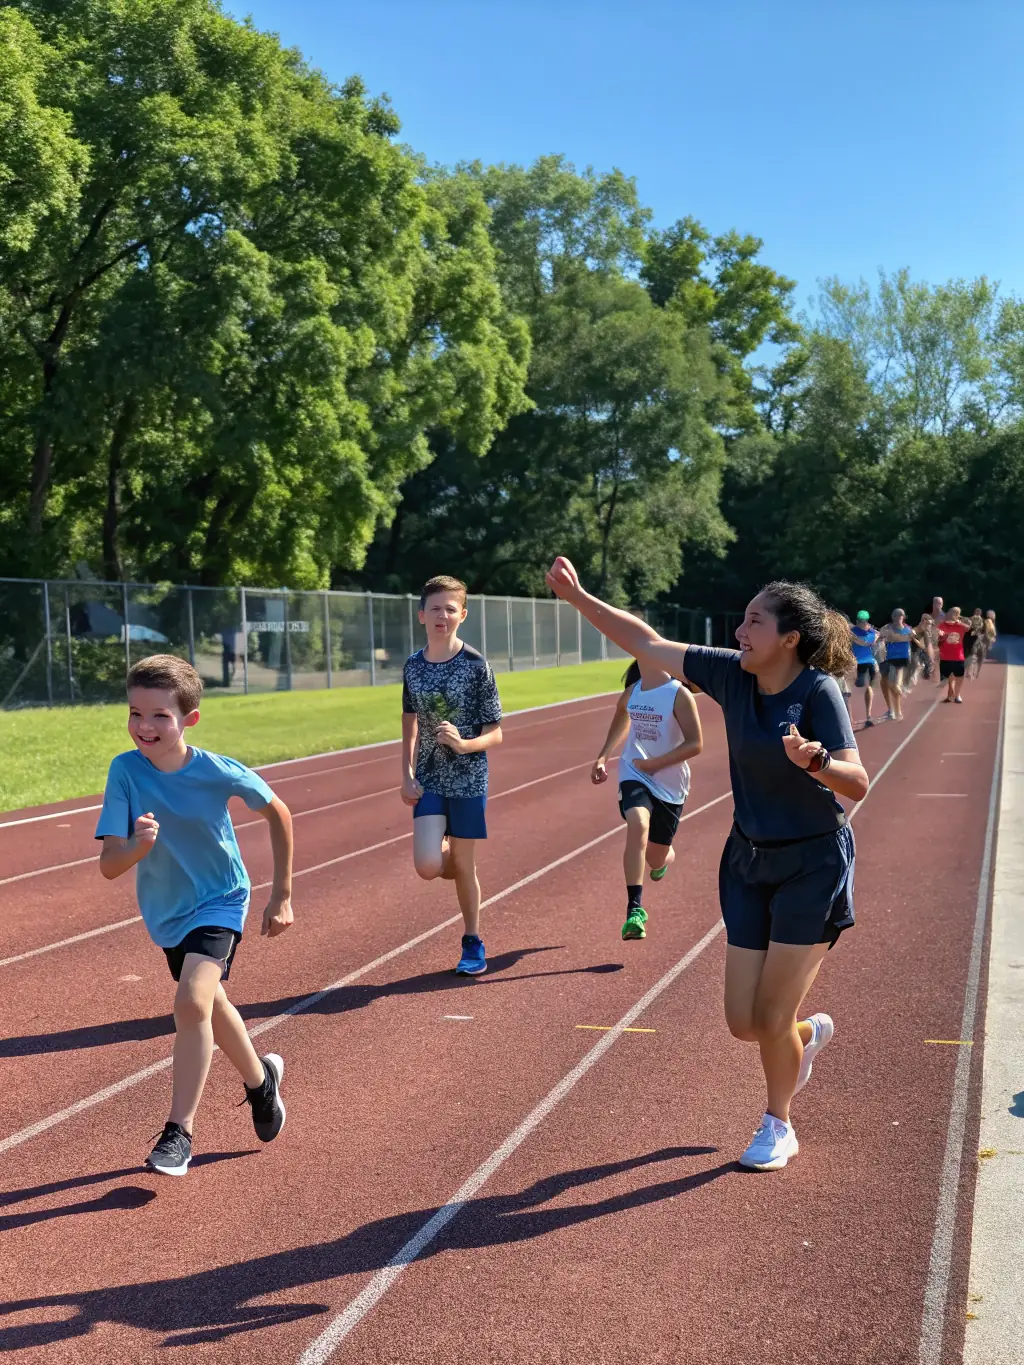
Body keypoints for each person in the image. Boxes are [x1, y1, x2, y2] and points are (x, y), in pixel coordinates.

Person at [546, 559, 868, 1172]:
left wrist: (816, 761)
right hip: (748, 860)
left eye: (753, 621)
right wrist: (579, 596)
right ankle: (802, 1039)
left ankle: (779, 1123)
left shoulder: (816, 691)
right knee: (744, 1022)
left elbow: (859, 784)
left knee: (770, 1013)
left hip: (812, 864)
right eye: (742, 619)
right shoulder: (731, 674)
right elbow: (644, 641)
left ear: (789, 639)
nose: (740, 630)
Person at [96, 655, 293, 1177]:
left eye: (160, 715)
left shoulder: (217, 771)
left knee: (190, 1001)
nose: (145, 726)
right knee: (209, 1004)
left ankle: (179, 1132)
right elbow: (109, 866)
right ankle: (260, 1083)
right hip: (167, 912)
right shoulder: (125, 771)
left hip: (221, 899)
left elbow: (279, 812)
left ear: (190, 719)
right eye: (135, 713)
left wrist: (284, 894)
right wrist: (138, 847)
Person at [401, 575, 503, 975]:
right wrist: (406, 774)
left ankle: (473, 940)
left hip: (468, 779)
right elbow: (409, 723)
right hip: (429, 776)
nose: (442, 615)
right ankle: (452, 858)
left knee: (465, 864)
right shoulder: (413, 666)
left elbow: (496, 732)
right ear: (421, 614)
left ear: (462, 614)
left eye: (450, 608)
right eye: (435, 608)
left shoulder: (477, 666)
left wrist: (463, 744)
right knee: (428, 865)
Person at [591, 659, 703, 940]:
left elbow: (695, 744)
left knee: (655, 856)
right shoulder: (633, 692)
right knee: (638, 823)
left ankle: (664, 859)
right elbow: (621, 715)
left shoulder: (679, 694)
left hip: (670, 780)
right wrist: (604, 755)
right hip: (635, 770)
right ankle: (634, 910)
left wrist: (658, 764)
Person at [876, 608, 918, 721]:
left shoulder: (907, 629)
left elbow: (912, 635)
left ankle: (897, 709)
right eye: (896, 616)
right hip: (889, 658)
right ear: (892, 617)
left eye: (900, 616)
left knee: (893, 683)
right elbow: (880, 636)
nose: (898, 618)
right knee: (889, 684)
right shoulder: (887, 628)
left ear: (903, 617)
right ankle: (895, 710)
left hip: (902, 659)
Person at [849, 611, 879, 726]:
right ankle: (853, 717)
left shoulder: (871, 632)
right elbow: (863, 642)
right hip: (858, 663)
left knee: (868, 687)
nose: (861, 623)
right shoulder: (871, 633)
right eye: (860, 621)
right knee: (855, 688)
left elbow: (863, 642)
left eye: (863, 621)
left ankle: (868, 716)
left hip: (867, 662)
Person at [937, 606, 971, 703]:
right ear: (948, 614)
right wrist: (940, 634)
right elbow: (938, 634)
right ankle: (951, 691)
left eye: (956, 613)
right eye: (951, 613)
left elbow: (969, 628)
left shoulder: (961, 626)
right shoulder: (942, 625)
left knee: (959, 677)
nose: (953, 615)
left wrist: (959, 621)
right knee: (948, 677)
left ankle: (957, 695)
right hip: (945, 656)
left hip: (958, 656)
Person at [964, 609, 985, 680]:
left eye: (979, 613)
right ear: (974, 612)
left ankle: (974, 672)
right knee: (970, 656)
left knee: (976, 656)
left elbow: (984, 632)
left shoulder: (982, 621)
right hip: (969, 639)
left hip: (978, 640)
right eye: (976, 612)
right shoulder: (970, 619)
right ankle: (969, 672)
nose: (977, 614)